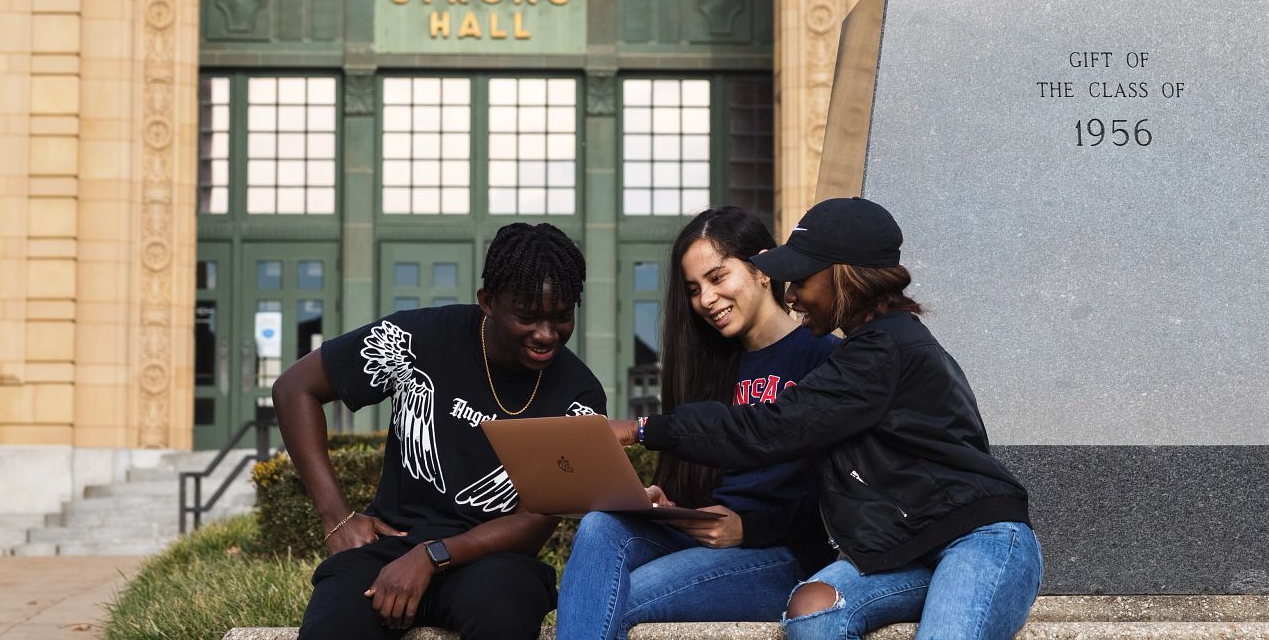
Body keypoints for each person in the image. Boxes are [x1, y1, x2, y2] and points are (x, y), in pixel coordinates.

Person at [611, 197, 1043, 640]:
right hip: (906, 552)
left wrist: (644, 428)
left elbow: (770, 429)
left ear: (843, 275)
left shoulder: (884, 350)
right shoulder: (861, 353)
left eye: (801, 279)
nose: (792, 294)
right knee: (814, 608)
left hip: (980, 542)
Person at [274, 222, 605, 640]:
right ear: (487, 301)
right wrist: (336, 516)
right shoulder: (416, 338)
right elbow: (294, 388)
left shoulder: (579, 395)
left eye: (561, 317)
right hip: (391, 546)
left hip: (494, 562)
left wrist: (432, 557)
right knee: (333, 627)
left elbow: (534, 521)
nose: (546, 334)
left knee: (504, 610)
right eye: (528, 317)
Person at [556, 206, 839, 640]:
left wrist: (747, 527)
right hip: (709, 539)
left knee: (615, 600)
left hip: (783, 555)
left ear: (763, 268)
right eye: (694, 288)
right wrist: (664, 504)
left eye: (718, 277)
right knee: (601, 524)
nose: (706, 299)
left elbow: (839, 500)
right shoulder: (713, 365)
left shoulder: (823, 360)